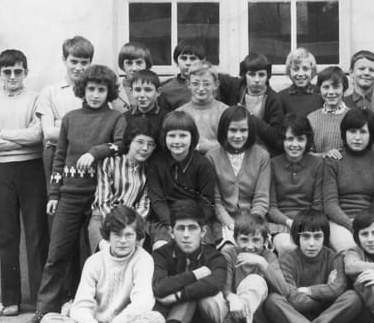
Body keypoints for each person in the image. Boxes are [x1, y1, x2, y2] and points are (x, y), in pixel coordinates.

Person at [26, 65, 127, 323]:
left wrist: (95, 152)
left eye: (101, 90)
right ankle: (44, 310)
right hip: (69, 197)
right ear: (83, 90)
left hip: (100, 198)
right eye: (91, 89)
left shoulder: (116, 118)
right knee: (57, 253)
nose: (95, 94)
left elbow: (121, 145)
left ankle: (98, 312)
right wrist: (54, 194)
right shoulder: (70, 118)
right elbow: (59, 158)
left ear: (109, 92)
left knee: (98, 256)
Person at [39, 206, 165, 323]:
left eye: (129, 235)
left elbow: (142, 304)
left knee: (157, 321)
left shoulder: (144, 259)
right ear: (108, 237)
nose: (123, 241)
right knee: (47, 321)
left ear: (137, 237)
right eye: (117, 235)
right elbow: (80, 305)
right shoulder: (94, 261)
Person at [0, 49, 49, 317]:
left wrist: (4, 134)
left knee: (36, 234)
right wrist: (19, 139)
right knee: (7, 235)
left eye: (18, 71)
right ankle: (11, 299)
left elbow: (37, 136)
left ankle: (41, 300)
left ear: (26, 73)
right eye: (7, 72)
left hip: (31, 169)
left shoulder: (36, 98)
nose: (12, 76)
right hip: (1, 172)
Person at [181, 214, 291, 323]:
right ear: (235, 239)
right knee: (208, 298)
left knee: (255, 280)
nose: (250, 246)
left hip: (257, 318)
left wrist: (262, 264)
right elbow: (224, 284)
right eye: (244, 240)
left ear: (265, 241)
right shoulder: (229, 254)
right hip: (231, 310)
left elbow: (284, 291)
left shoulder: (268, 257)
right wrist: (231, 297)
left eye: (256, 240)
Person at [263, 209, 367, 323]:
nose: (311, 243)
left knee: (353, 298)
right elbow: (294, 300)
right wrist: (326, 291)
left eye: (317, 237)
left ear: (325, 238)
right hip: (295, 315)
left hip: (327, 316)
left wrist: (309, 291)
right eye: (306, 237)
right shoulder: (287, 260)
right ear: (297, 237)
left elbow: (338, 288)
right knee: (273, 301)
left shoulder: (334, 258)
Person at [149, 200, 229, 323]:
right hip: (171, 320)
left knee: (202, 294)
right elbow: (159, 287)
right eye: (180, 228)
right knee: (194, 289)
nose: (186, 235)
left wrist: (178, 295)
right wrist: (195, 274)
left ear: (203, 231)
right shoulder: (161, 255)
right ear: (171, 232)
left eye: (192, 228)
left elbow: (215, 283)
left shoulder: (214, 256)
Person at [146, 110, 217, 247]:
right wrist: (173, 225)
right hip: (166, 219)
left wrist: (191, 225)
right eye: (172, 136)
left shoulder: (203, 165)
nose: (177, 141)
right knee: (162, 247)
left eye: (183, 135)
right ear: (164, 137)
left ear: (192, 137)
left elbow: (207, 203)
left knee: (201, 249)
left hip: (197, 219)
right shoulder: (156, 163)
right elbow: (158, 201)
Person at [323, 109, 374, 252]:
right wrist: (351, 225)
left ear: (371, 134)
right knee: (351, 248)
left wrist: (367, 224)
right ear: (344, 133)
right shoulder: (333, 160)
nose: (357, 137)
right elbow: (330, 204)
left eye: (363, 132)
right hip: (340, 222)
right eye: (352, 131)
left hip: (371, 221)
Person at [88, 119, 157, 254]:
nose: (145, 148)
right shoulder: (109, 163)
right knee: (107, 253)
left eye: (150, 144)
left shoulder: (148, 169)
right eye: (140, 142)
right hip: (104, 218)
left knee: (136, 254)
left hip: (135, 221)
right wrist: (120, 223)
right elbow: (103, 201)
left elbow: (144, 204)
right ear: (130, 141)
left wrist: (132, 224)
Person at [205, 106, 271, 240]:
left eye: (243, 130)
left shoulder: (262, 156)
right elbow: (216, 202)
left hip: (255, 220)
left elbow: (261, 198)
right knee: (228, 248)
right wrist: (231, 224)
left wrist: (251, 224)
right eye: (233, 130)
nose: (238, 136)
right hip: (223, 221)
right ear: (224, 130)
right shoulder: (212, 157)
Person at [36, 35, 93, 186]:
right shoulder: (50, 92)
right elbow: (49, 133)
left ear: (90, 63)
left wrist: (61, 124)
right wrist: (88, 131)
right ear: (64, 60)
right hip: (57, 154)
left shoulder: (96, 93)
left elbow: (104, 130)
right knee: (56, 196)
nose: (78, 68)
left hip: (88, 155)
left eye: (84, 63)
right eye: (73, 61)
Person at [268, 114, 324, 254]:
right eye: (290, 139)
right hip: (281, 224)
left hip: (310, 223)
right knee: (288, 247)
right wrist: (289, 222)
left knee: (310, 246)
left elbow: (318, 204)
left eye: (300, 139)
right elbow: (271, 207)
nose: (295, 144)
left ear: (307, 140)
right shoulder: (272, 164)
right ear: (282, 140)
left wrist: (305, 223)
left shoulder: (317, 164)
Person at [217, 52, 284, 156]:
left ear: (267, 76)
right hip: (234, 145)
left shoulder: (273, 99)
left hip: (262, 152)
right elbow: (214, 76)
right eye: (252, 74)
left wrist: (250, 116)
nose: (257, 80)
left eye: (261, 75)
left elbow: (276, 137)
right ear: (244, 75)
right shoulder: (236, 87)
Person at [177, 60, 228, 155]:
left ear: (215, 85)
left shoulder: (226, 112)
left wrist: (206, 147)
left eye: (206, 84)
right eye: (195, 84)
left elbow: (232, 143)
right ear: (188, 84)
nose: (201, 89)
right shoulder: (180, 113)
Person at [307, 66, 350, 158]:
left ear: (344, 89)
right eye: (326, 87)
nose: (330, 92)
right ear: (319, 89)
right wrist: (324, 155)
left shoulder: (352, 116)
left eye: (336, 87)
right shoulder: (311, 119)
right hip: (318, 166)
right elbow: (307, 155)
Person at [124, 69, 169, 141]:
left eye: (148, 90)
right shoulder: (124, 118)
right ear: (131, 92)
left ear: (158, 92)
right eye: (138, 90)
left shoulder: (167, 118)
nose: (142, 95)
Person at [277, 48, 323, 117]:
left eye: (305, 69)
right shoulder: (281, 97)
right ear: (289, 71)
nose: (300, 74)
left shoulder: (321, 94)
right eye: (295, 69)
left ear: (312, 71)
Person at [160, 39, 205, 109]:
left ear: (202, 62)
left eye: (193, 59)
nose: (188, 63)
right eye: (184, 58)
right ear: (176, 62)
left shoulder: (211, 86)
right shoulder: (166, 90)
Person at [113, 41, 154, 113]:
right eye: (129, 63)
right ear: (122, 65)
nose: (134, 68)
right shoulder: (114, 88)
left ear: (146, 64)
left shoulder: (155, 87)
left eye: (139, 63)